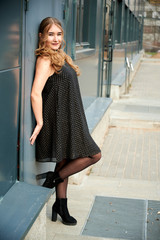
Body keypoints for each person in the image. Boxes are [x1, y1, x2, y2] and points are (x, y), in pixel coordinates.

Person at [30, 17, 101, 226]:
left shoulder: (60, 56)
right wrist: (40, 122)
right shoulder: (45, 59)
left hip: (70, 118)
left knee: (64, 159)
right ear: (41, 36)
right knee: (94, 155)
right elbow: (35, 93)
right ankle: (53, 178)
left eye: (59, 34)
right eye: (50, 34)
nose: (55, 38)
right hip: (58, 119)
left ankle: (61, 205)